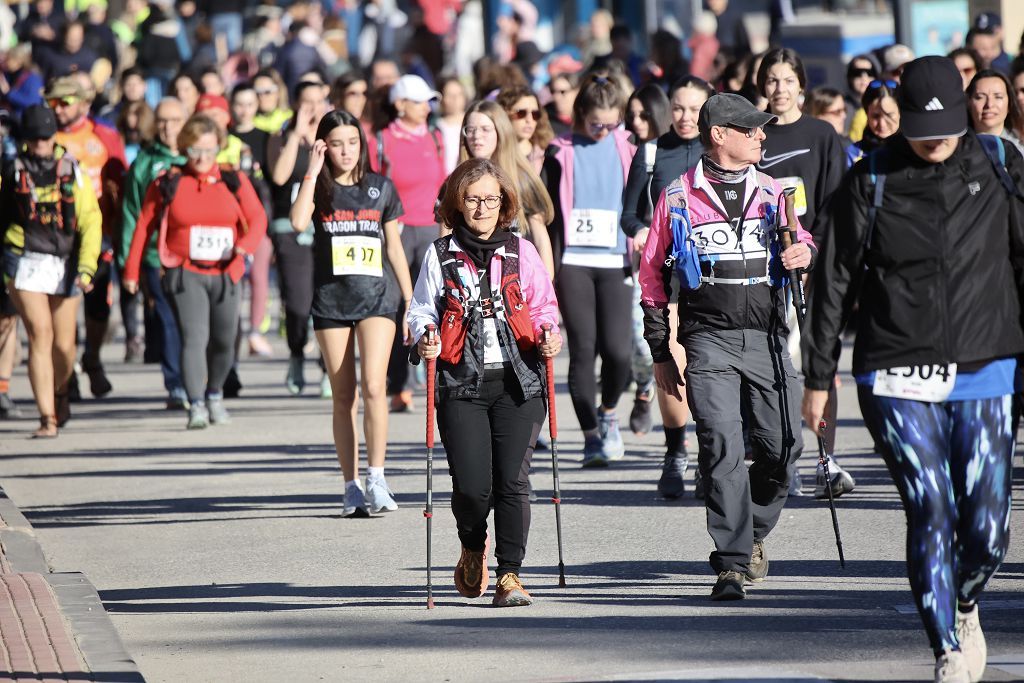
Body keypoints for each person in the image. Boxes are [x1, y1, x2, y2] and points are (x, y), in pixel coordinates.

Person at [801, 56, 1021, 683]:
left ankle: (968, 597)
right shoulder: (870, 179)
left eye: (946, 131)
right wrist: (819, 377)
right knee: (931, 506)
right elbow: (832, 282)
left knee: (986, 528)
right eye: (922, 133)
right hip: (896, 370)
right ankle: (947, 649)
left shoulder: (999, 165)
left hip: (987, 364)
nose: (935, 143)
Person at [639, 92, 814, 600]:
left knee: (784, 446)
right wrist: (660, 349)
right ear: (719, 135)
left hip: (766, 336)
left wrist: (803, 251)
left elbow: (801, 243)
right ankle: (732, 563)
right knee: (721, 445)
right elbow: (651, 274)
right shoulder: (677, 196)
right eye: (752, 129)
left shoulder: (773, 192)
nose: (763, 135)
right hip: (707, 339)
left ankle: (752, 530)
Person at [410, 157, 562, 607]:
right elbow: (421, 311)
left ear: (504, 203)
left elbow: (544, 308)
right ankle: (473, 546)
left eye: (490, 200)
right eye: (473, 200)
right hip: (462, 384)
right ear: (458, 204)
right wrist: (425, 338)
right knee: (473, 488)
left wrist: (550, 335)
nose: (482, 209)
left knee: (513, 481)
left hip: (520, 381)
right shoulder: (440, 254)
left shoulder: (522, 251)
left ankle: (510, 575)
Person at [289, 109, 413, 517]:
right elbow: (296, 221)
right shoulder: (319, 188)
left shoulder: (380, 188)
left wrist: (411, 297)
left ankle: (377, 476)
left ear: (363, 145)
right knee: (344, 396)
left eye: (352, 142)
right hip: (331, 302)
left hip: (378, 297)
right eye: (336, 143)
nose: (346, 151)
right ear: (325, 145)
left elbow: (393, 246)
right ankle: (350, 485)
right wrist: (312, 167)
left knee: (375, 386)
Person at [123, 113, 268, 429]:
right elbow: (144, 224)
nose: (202, 158)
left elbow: (258, 219)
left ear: (219, 147)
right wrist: (131, 271)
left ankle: (214, 392)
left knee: (225, 340)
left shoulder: (233, 179)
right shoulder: (168, 182)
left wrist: (243, 248)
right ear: (184, 149)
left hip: (227, 272)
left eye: (209, 150)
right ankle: (197, 404)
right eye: (194, 151)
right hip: (184, 271)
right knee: (194, 336)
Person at [754, 47, 851, 498]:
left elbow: (834, 204)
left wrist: (818, 260)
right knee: (775, 366)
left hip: (814, 266)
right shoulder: (753, 137)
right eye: (772, 80)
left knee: (819, 363)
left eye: (787, 80)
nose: (780, 89)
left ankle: (826, 458)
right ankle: (780, 460)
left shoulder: (822, 134)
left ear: (801, 86)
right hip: (764, 269)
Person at [621, 75, 715, 498]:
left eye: (695, 108)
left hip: (717, 278)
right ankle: (676, 451)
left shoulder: (723, 151)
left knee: (711, 369)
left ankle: (712, 454)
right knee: (673, 362)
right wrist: (642, 231)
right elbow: (629, 213)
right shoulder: (654, 150)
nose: (685, 117)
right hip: (671, 275)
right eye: (678, 107)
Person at [544, 74, 635, 467]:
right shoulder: (559, 150)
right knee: (582, 350)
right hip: (575, 262)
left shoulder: (628, 146)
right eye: (596, 123)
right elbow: (546, 211)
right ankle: (590, 437)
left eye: (611, 123)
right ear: (581, 114)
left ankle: (610, 410)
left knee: (618, 351)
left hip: (616, 260)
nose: (603, 130)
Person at [1, 104, 101, 437]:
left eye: (45, 138)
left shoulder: (72, 170)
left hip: (66, 261)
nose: (40, 144)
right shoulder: (10, 170)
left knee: (64, 344)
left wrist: (87, 267)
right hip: (25, 259)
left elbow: (90, 219)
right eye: (34, 139)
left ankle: (61, 391)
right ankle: (47, 418)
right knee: (39, 334)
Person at [46, 73, 127, 401]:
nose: (58, 109)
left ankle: (92, 358)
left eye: (64, 102)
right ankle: (67, 375)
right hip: (56, 236)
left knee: (98, 309)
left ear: (83, 103)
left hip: (100, 235)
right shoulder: (45, 136)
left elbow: (122, 182)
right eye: (52, 103)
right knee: (62, 309)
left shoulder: (104, 136)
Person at [375, 74, 447, 413]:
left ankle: (437, 378)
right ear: (400, 104)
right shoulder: (383, 140)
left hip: (432, 230)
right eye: (419, 102)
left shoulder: (436, 136)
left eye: (427, 101)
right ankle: (399, 383)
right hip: (397, 234)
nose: (426, 107)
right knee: (400, 307)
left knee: (435, 305)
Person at [118, 96, 188, 409]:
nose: (167, 127)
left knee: (195, 323)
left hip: (195, 258)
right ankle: (175, 384)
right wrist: (128, 264)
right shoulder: (144, 162)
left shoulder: (197, 157)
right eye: (161, 120)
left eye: (174, 120)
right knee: (167, 320)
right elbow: (132, 214)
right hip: (155, 259)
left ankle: (202, 380)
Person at [267, 80, 330, 396]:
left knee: (326, 298)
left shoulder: (334, 136)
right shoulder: (281, 135)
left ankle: (326, 368)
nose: (313, 109)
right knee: (298, 302)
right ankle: (295, 352)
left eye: (318, 101)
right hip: (291, 227)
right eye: (306, 102)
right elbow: (279, 175)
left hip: (325, 226)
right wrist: (296, 135)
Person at [457, 100, 554, 277]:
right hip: (469, 280)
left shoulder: (522, 178)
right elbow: (444, 238)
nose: (477, 136)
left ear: (501, 132)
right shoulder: (454, 182)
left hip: (515, 279)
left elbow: (541, 239)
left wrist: (546, 289)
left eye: (485, 129)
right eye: (470, 130)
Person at [229, 82, 275, 359]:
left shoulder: (266, 138)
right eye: (239, 104)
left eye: (249, 104)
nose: (244, 110)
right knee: (235, 278)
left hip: (260, 216)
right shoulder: (224, 138)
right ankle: (232, 329)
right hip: (231, 221)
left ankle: (255, 332)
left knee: (259, 277)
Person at [496, 85, 553, 174]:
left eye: (535, 114)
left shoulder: (548, 155)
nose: (529, 120)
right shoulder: (493, 156)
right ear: (504, 114)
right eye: (521, 113)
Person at [966, 69, 1024, 156]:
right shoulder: (956, 150)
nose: (989, 104)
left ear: (1009, 104)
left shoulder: (1019, 152)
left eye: (998, 97)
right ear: (969, 102)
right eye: (980, 97)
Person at [846, 79, 900, 166]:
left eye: (889, 115)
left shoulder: (915, 150)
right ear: (867, 114)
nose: (882, 124)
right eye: (875, 116)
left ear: (901, 113)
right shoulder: (853, 154)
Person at [435, 76, 467, 174]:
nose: (455, 99)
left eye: (459, 94)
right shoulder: (436, 126)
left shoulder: (474, 122)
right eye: (450, 95)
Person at [845, 54, 879, 142]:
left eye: (869, 72)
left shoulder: (885, 105)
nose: (864, 77)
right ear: (849, 77)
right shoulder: (841, 107)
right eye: (857, 73)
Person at [544, 72, 577, 138]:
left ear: (576, 92)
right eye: (553, 92)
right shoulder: (544, 121)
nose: (556, 97)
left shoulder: (586, 120)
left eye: (562, 92)